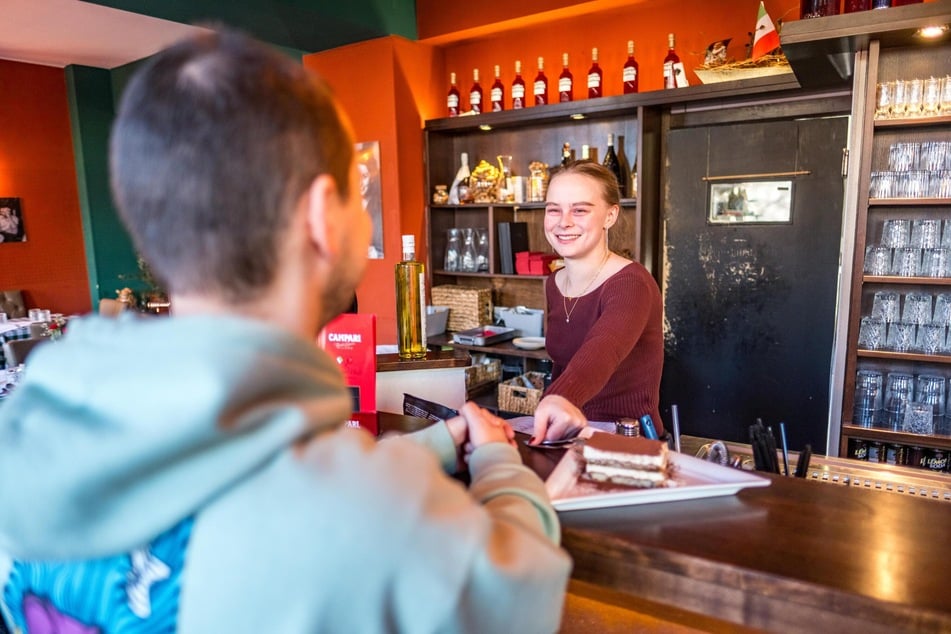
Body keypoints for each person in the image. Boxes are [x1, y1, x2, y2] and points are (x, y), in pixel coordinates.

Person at [0, 29, 570, 633]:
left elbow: (233, 463)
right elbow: (518, 594)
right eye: (360, 193)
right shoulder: (370, 520)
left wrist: (429, 447)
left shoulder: (31, 425)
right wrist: (499, 466)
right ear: (323, 217)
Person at [531, 160, 664, 444]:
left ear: (610, 215)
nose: (563, 222)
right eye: (554, 209)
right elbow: (563, 367)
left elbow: (603, 350)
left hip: (627, 441)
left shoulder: (631, 283)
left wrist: (558, 399)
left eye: (579, 210)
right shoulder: (554, 283)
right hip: (571, 435)